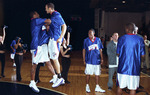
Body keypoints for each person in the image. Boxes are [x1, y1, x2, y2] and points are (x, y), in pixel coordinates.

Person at [29, 11, 56, 93]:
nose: (38, 14)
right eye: (37, 13)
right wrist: (56, 19)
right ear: (34, 15)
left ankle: (55, 76)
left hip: (43, 46)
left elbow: (47, 25)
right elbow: (48, 21)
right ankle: (32, 82)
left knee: (48, 62)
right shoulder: (35, 21)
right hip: (37, 46)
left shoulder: (40, 24)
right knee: (34, 65)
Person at [116, 23, 145, 95]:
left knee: (120, 87)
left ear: (127, 29)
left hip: (123, 67)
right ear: (134, 30)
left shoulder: (121, 38)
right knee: (133, 88)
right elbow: (143, 55)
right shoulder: (140, 39)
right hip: (134, 68)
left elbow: (118, 53)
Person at [45, 3, 67, 88]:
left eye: (46, 8)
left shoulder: (57, 14)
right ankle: (56, 77)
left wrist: (61, 37)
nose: (45, 10)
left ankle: (60, 78)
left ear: (50, 8)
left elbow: (64, 26)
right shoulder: (52, 15)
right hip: (51, 39)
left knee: (55, 59)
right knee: (52, 58)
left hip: (55, 40)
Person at [83, 29, 105, 93]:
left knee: (97, 74)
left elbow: (100, 49)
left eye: (90, 32)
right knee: (88, 74)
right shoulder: (86, 40)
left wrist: (102, 58)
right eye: (88, 32)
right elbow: (84, 50)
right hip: (89, 60)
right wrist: (84, 59)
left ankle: (97, 87)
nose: (89, 34)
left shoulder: (98, 40)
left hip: (97, 60)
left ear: (94, 33)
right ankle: (87, 86)